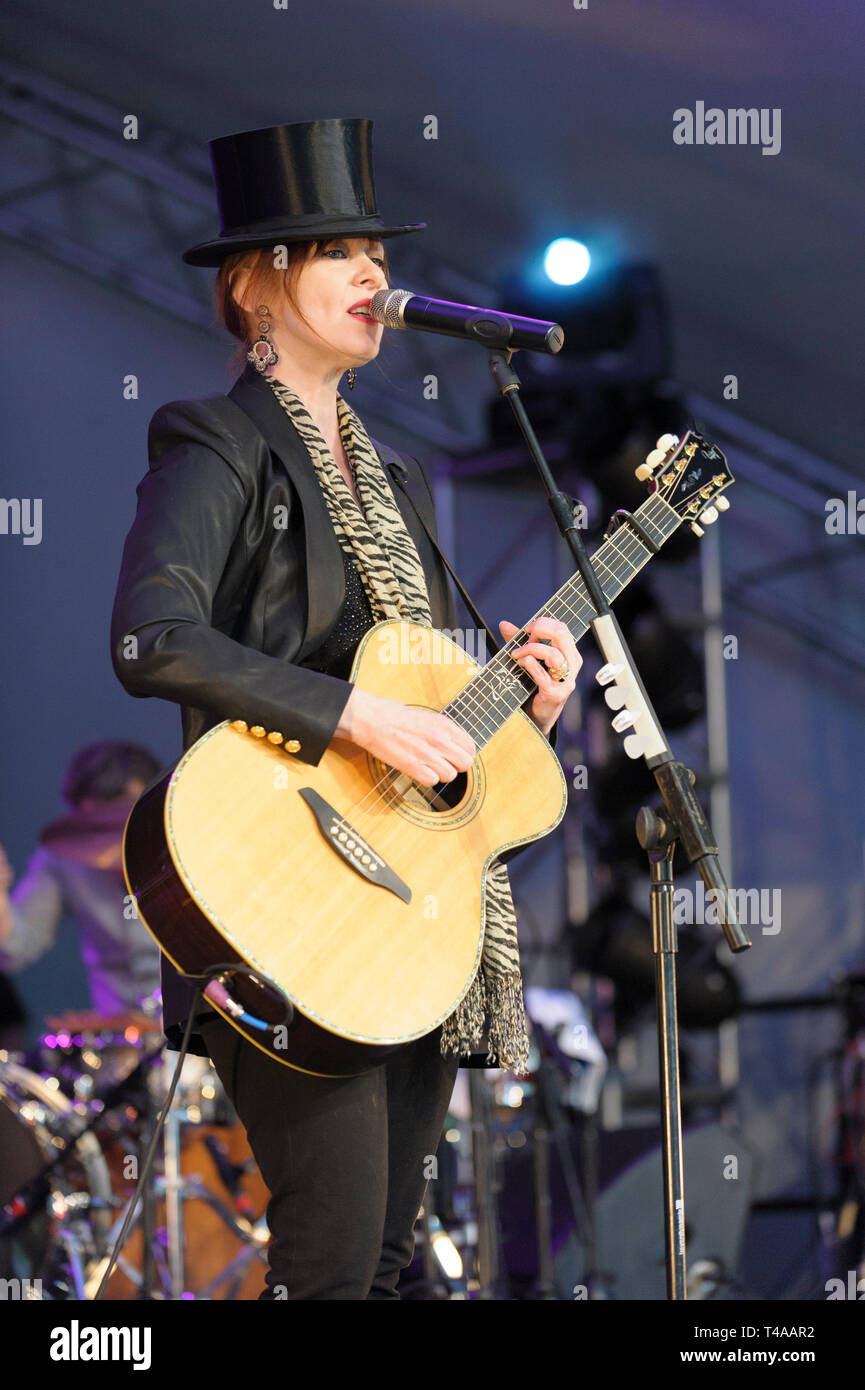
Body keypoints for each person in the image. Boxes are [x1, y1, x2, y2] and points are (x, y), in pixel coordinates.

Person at [110, 118, 581, 1299]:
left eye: (378, 251)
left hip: (408, 907)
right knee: (332, 1254)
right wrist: (358, 722)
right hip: (277, 896)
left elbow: (423, 707)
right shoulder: (215, 441)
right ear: (255, 281)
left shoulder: (400, 477)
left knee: (382, 1263)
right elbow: (150, 638)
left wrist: (526, 707)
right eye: (339, 253)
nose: (377, 277)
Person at [0, 739, 162, 1014]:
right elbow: (14, 951)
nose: (112, 839)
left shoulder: (190, 847)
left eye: (126, 818)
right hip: (120, 1038)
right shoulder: (62, 857)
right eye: (95, 829)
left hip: (198, 1031)